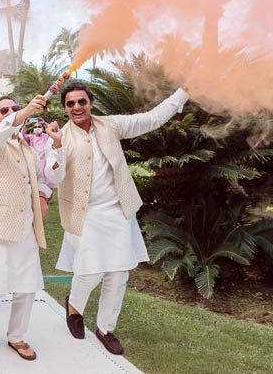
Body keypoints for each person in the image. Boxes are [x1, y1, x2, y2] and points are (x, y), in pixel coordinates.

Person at [45, 80, 189, 356]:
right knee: (88, 273)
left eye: (81, 102)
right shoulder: (61, 137)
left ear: (90, 103)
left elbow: (152, 119)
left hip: (117, 211)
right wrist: (57, 147)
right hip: (84, 215)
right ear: (64, 108)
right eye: (70, 104)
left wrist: (183, 92)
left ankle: (105, 329)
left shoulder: (109, 124)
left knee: (118, 274)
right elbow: (54, 176)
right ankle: (74, 306)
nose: (77, 107)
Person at [0, 95, 52, 361]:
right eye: (5, 110)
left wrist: (43, 195)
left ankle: (17, 336)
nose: (12, 112)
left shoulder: (28, 147)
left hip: (26, 226)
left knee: (26, 287)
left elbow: (40, 178)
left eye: (15, 108)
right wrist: (25, 111)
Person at [24, 119, 58, 196]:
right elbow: (22, 135)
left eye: (39, 126)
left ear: (42, 128)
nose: (37, 128)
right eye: (35, 127)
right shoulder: (31, 137)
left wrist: (45, 123)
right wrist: (25, 126)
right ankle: (40, 196)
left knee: (48, 180)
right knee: (38, 180)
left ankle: (49, 197)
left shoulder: (46, 136)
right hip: (36, 162)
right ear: (33, 129)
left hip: (46, 162)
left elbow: (53, 132)